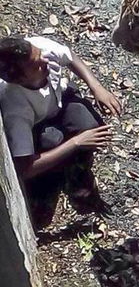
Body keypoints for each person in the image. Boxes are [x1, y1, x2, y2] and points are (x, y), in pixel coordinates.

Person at [0, 35, 121, 212]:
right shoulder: (16, 108)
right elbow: (24, 168)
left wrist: (97, 88)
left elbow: (69, 56)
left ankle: (77, 169)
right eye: (37, 65)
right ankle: (56, 178)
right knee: (52, 141)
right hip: (38, 125)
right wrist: (76, 142)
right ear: (20, 80)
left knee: (91, 125)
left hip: (59, 102)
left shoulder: (40, 50)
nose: (45, 60)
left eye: (40, 55)